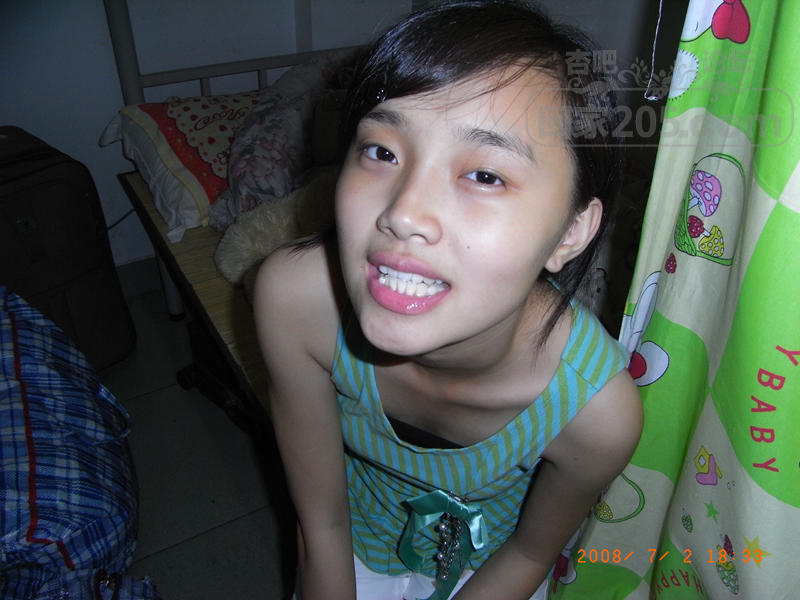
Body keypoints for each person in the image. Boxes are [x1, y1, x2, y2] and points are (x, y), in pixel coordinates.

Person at [253, 1, 643, 599]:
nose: (404, 212)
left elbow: (530, 552)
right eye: (382, 152)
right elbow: (321, 526)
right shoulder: (298, 304)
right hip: (355, 542)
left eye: (485, 175)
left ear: (571, 232)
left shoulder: (594, 414)